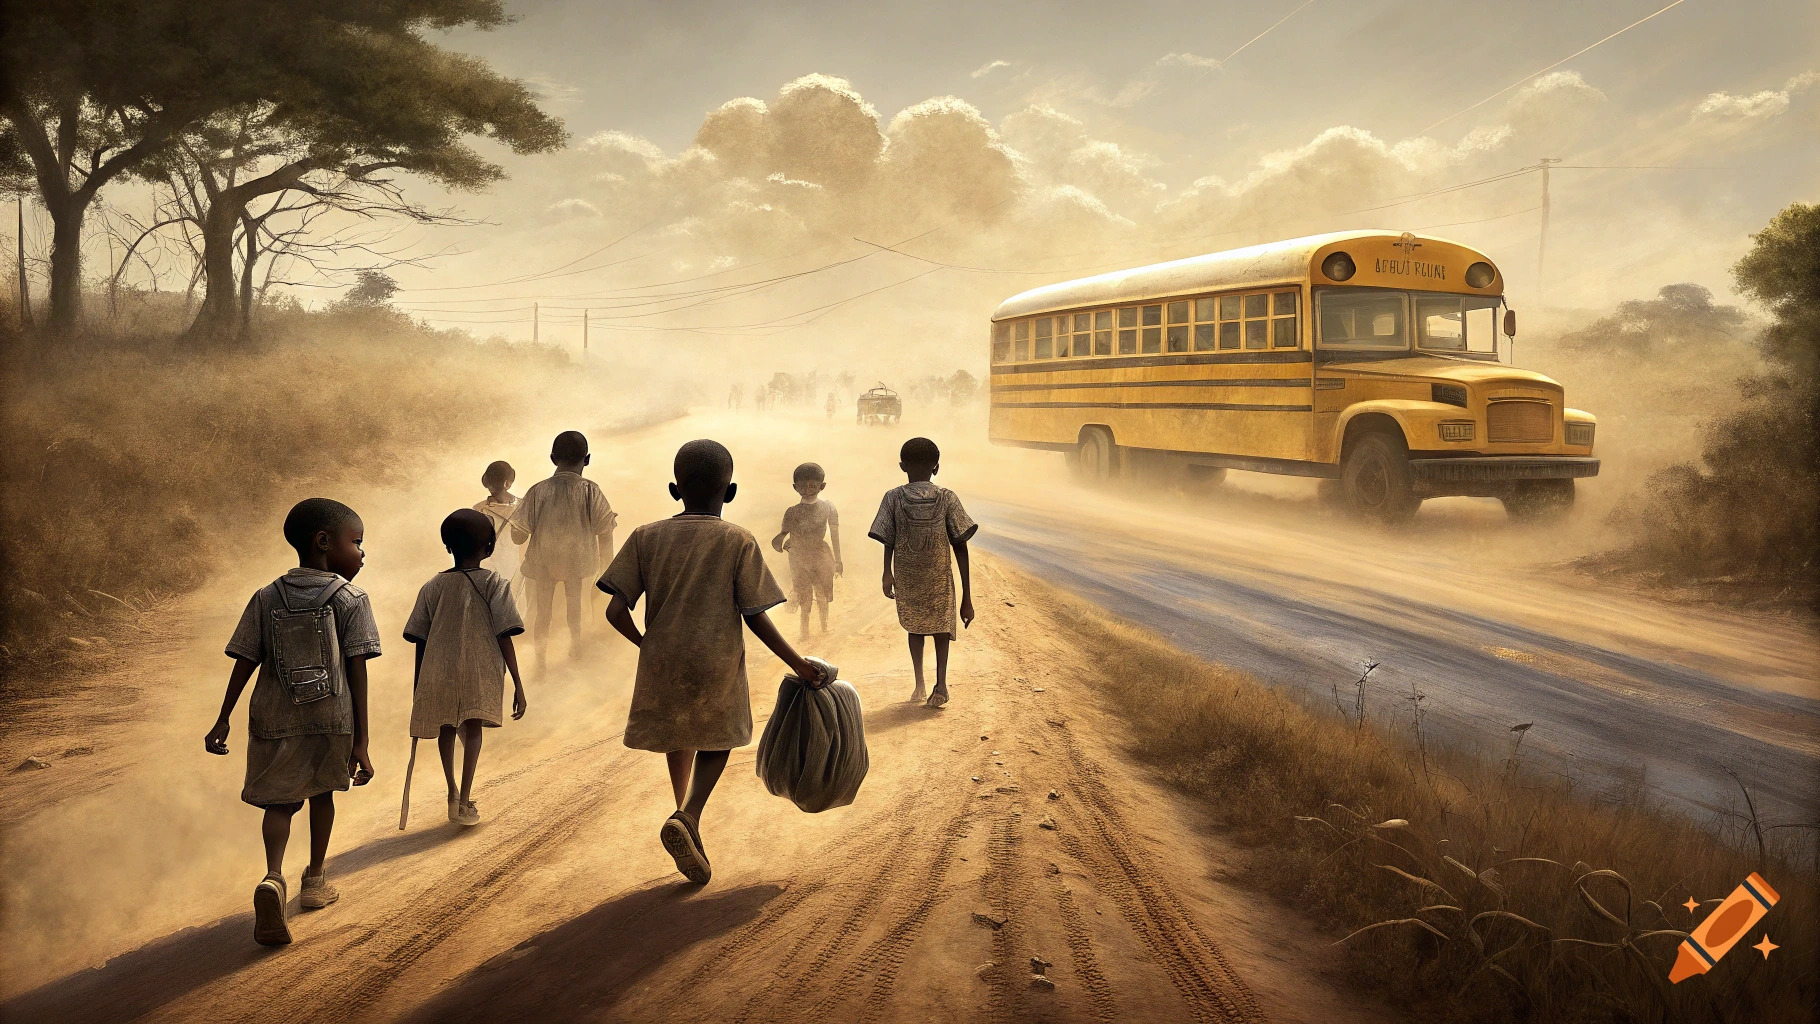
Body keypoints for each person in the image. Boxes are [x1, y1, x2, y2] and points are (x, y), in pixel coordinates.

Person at [599, 439, 824, 885]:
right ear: (731, 491)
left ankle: (683, 813)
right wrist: (799, 665)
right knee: (718, 736)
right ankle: (690, 815)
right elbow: (755, 615)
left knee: (679, 733)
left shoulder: (646, 537)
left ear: (673, 489)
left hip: (662, 659)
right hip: (715, 659)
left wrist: (647, 645)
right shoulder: (736, 539)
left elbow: (614, 610)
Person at [205, 498, 382, 946]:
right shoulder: (351, 598)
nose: (362, 553)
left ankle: (272, 877)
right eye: (357, 542)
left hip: (273, 717)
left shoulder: (266, 596)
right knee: (323, 796)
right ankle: (316, 881)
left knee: (280, 802)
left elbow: (245, 659)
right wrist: (362, 740)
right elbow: (357, 669)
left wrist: (222, 717)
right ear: (324, 543)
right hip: (330, 718)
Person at [403, 509, 528, 826]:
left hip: (438, 670)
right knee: (471, 730)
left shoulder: (432, 586)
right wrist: (517, 683)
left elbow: (420, 638)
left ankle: (452, 793)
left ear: (448, 546)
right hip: (479, 668)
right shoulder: (495, 584)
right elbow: (504, 634)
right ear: (489, 547)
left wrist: (419, 685)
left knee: (446, 726)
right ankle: (465, 800)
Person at [868, 437, 977, 708]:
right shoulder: (947, 497)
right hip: (939, 575)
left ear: (902, 466)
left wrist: (886, 572)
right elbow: (960, 545)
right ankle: (940, 684)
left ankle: (920, 683)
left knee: (914, 627)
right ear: (936, 467)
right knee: (941, 629)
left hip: (906, 575)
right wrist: (967, 597)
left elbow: (888, 539)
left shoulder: (892, 497)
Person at [511, 431, 615, 669]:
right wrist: (607, 570)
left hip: (544, 563)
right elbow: (605, 531)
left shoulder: (537, 491)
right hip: (576, 563)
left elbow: (519, 536)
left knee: (543, 614)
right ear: (587, 459)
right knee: (574, 611)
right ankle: (576, 653)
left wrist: (517, 527)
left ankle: (540, 663)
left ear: (552, 458)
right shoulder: (590, 490)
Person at [771, 462, 842, 639]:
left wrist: (838, 561)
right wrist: (782, 542)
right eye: (802, 486)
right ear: (795, 487)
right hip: (799, 556)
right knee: (804, 595)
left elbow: (835, 534)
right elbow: (782, 534)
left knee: (822, 591)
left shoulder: (828, 508)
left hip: (820, 554)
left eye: (811, 485)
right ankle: (804, 631)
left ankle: (824, 627)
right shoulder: (791, 512)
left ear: (821, 486)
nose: (807, 489)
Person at [473, 461, 524, 607]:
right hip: (515, 568)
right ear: (508, 482)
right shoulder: (523, 507)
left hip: (487, 569)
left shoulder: (478, 509)